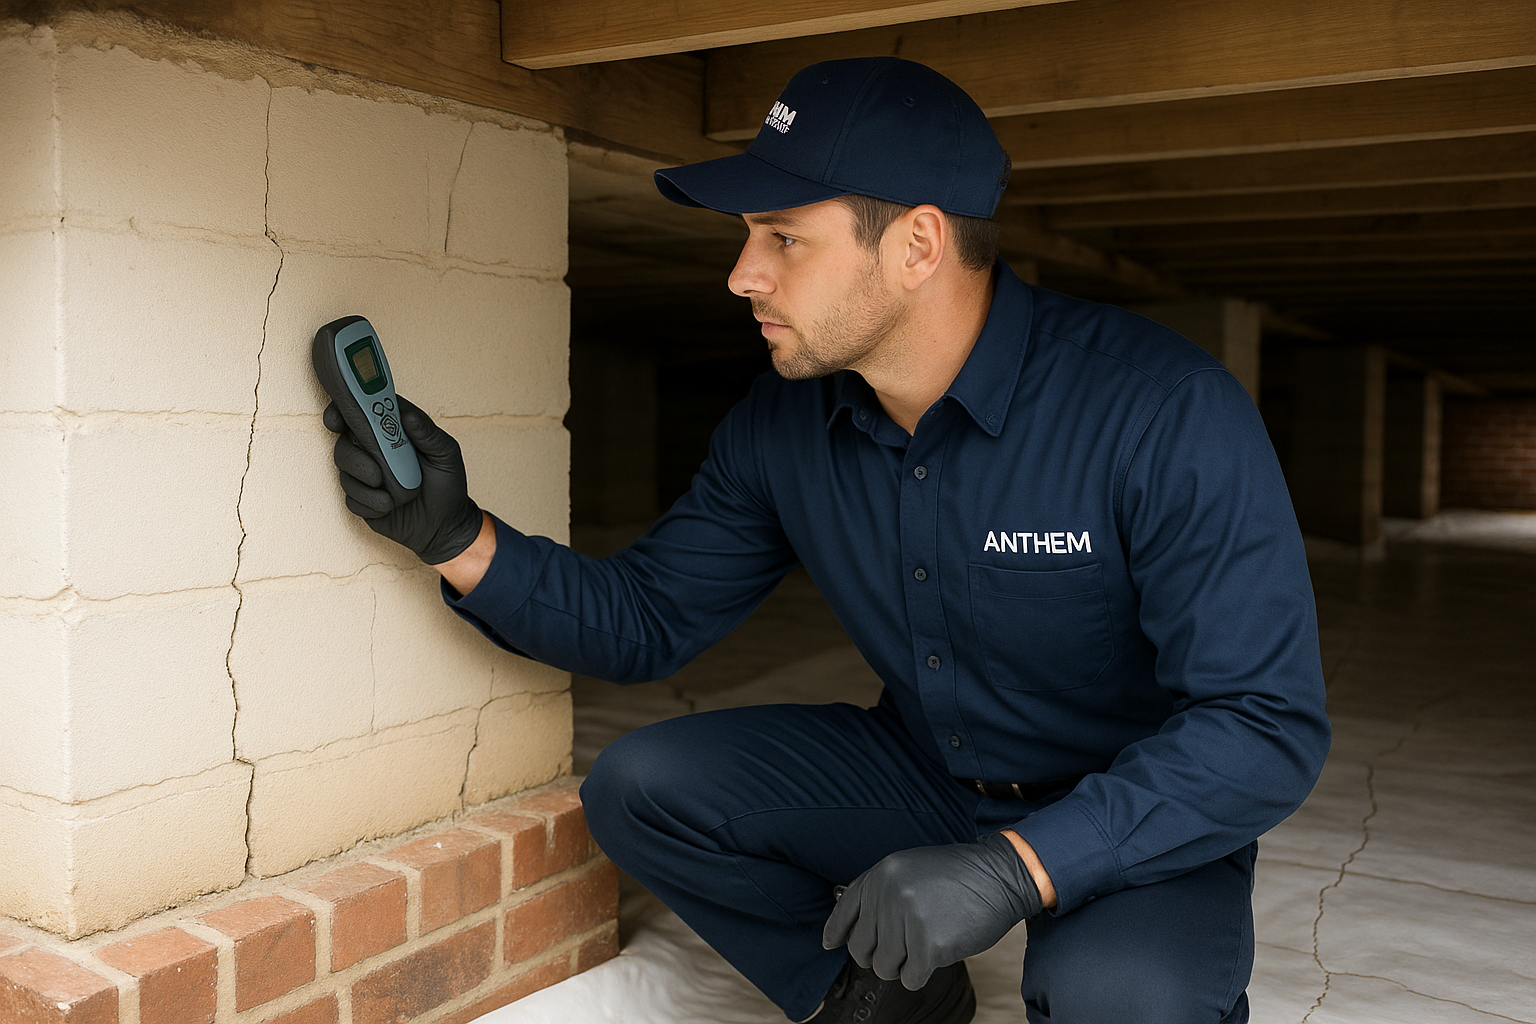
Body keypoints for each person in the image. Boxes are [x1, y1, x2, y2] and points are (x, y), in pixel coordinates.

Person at [326, 57, 1329, 1024]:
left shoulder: (1160, 407)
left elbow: (1263, 723)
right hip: (928, 773)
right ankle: (889, 994)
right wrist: (456, 535)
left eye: (782, 236)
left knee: (1126, 1002)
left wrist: (1016, 866)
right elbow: (647, 619)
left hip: (1132, 803)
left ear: (918, 247)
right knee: (645, 787)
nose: (741, 274)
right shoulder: (781, 426)